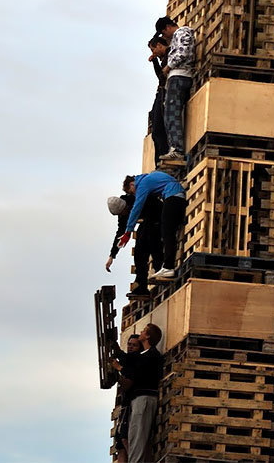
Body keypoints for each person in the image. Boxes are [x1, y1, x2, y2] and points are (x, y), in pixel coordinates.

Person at [117, 171, 187, 280]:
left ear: (132, 184)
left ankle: (168, 267)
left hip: (173, 197)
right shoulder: (148, 178)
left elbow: (137, 207)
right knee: (169, 230)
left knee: (167, 233)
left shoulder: (142, 184)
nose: (135, 195)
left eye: (132, 192)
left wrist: (128, 231)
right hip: (177, 197)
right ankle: (167, 266)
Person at [107, 183, 163, 299]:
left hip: (159, 216)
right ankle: (141, 285)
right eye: (122, 214)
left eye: (124, 212)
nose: (125, 215)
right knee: (139, 251)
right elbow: (121, 233)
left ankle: (160, 268)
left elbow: (156, 205)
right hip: (147, 224)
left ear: (125, 206)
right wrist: (112, 255)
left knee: (148, 237)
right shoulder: (123, 214)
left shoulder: (136, 198)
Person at [155, 16, 195, 161]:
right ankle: (175, 148)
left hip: (179, 76)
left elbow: (182, 53)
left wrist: (168, 66)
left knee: (172, 113)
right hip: (178, 77)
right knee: (170, 113)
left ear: (166, 28)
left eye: (162, 33)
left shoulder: (181, 33)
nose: (164, 36)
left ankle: (177, 149)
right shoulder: (179, 36)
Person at [123, 323, 163, 463]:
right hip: (139, 399)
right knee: (135, 436)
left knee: (138, 437)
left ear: (147, 336)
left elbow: (136, 371)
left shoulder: (152, 356)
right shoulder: (145, 355)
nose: (140, 332)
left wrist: (120, 367)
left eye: (144, 331)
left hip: (144, 398)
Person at [112, 333, 142, 462]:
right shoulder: (130, 358)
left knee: (125, 437)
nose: (130, 347)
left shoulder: (137, 360)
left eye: (134, 345)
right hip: (126, 403)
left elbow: (130, 378)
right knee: (120, 442)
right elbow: (123, 356)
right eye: (129, 344)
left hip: (131, 403)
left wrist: (118, 368)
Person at [147, 34, 169, 165]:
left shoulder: (168, 57)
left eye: (153, 49)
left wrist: (155, 61)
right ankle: (159, 159)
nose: (153, 53)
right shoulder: (164, 59)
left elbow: (161, 76)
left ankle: (161, 157)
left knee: (159, 129)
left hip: (163, 93)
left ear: (160, 46)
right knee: (156, 130)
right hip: (160, 93)